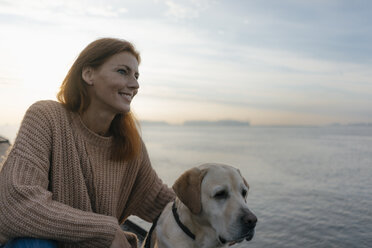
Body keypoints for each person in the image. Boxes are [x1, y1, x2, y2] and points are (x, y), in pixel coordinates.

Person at [0, 38, 175, 248]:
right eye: (122, 71)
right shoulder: (46, 117)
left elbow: (163, 203)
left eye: (136, 76)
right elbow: (15, 205)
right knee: (33, 243)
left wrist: (213, 191)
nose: (135, 84)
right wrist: (106, 231)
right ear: (88, 74)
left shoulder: (130, 144)